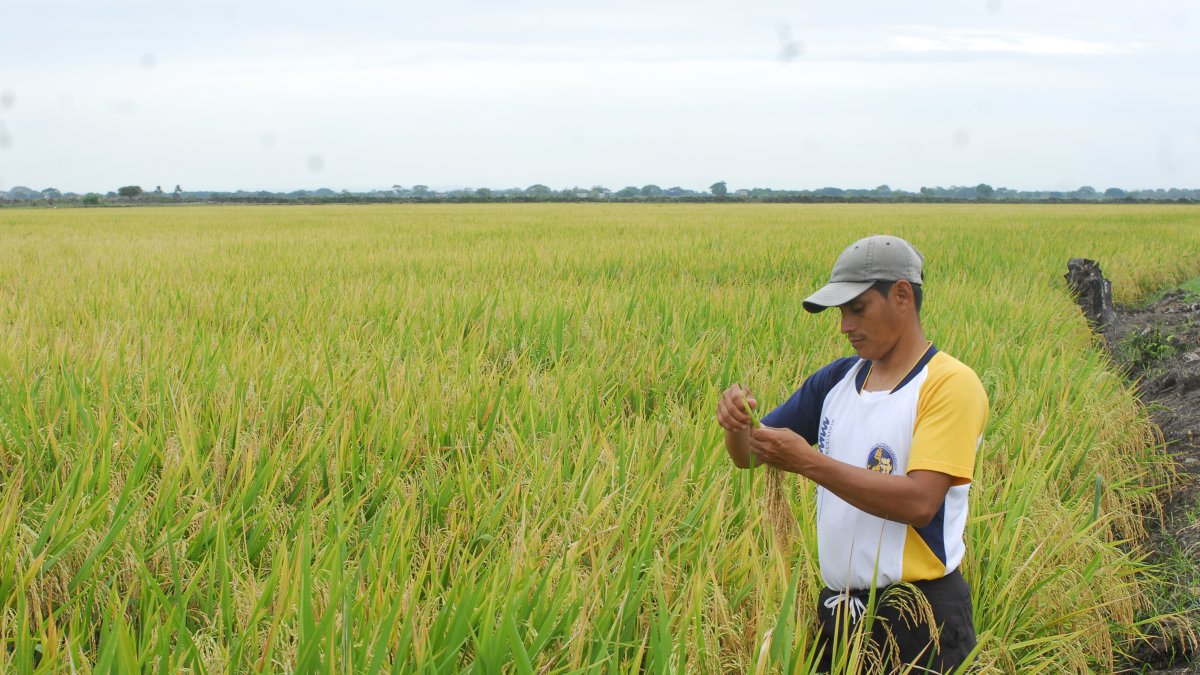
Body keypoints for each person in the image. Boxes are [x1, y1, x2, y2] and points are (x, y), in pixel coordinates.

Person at [716, 234, 989, 673]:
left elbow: (920, 502)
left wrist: (807, 462)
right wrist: (736, 423)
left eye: (857, 309)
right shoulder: (837, 381)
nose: (845, 326)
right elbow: (749, 455)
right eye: (841, 312)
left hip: (918, 616)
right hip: (839, 613)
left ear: (902, 295)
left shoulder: (949, 384)